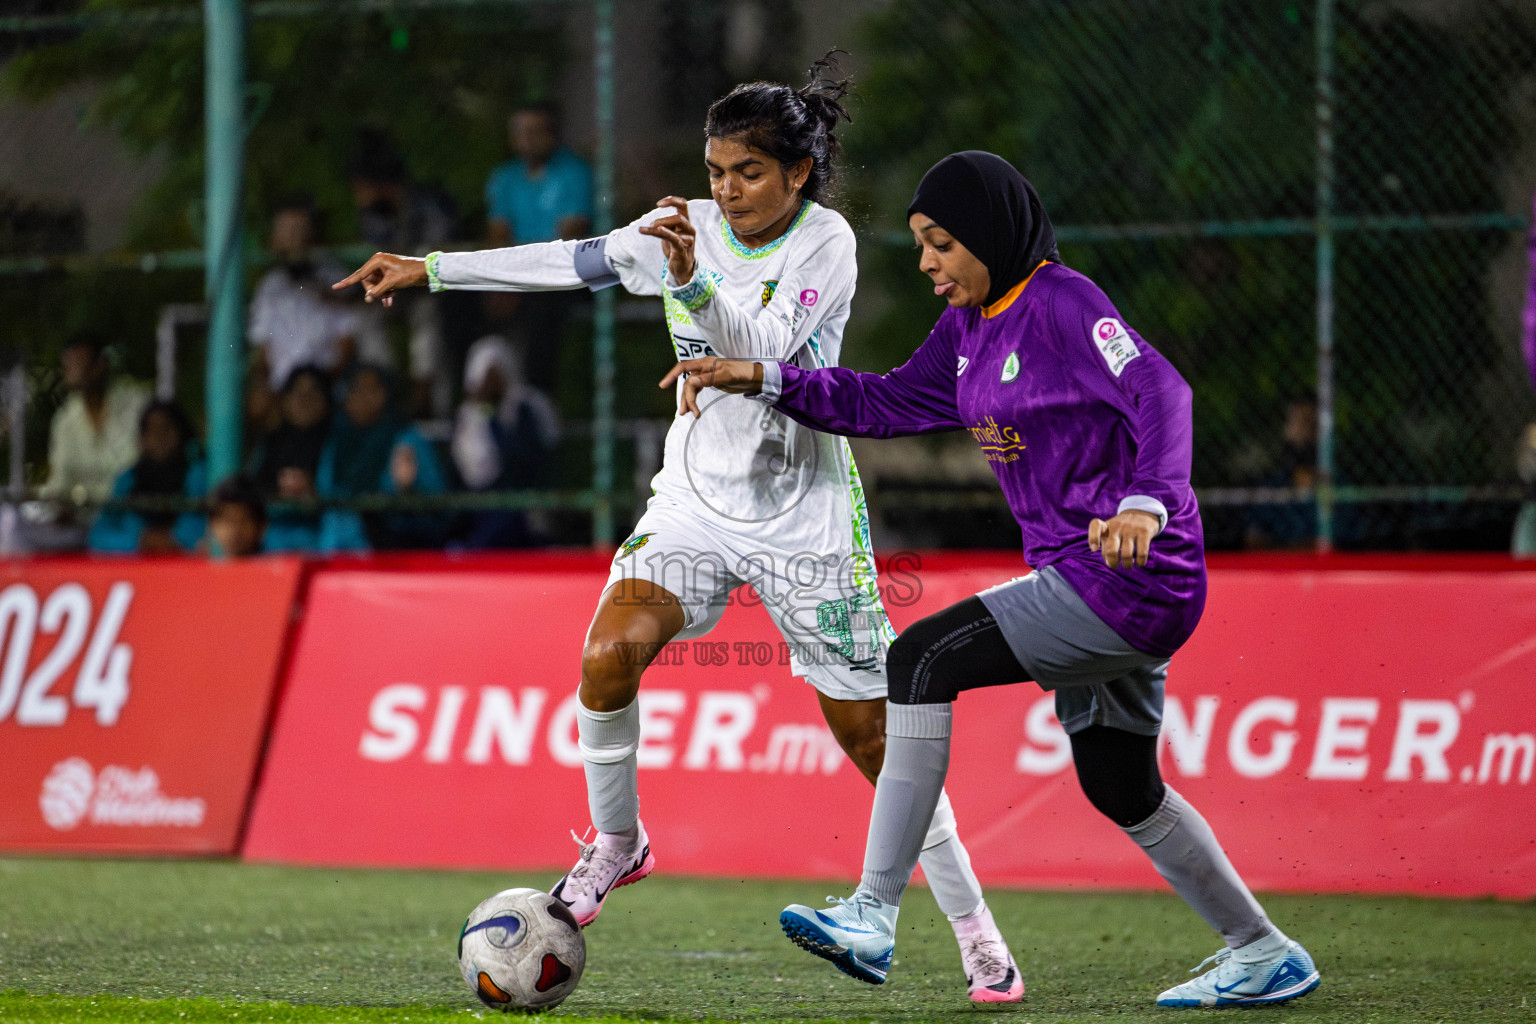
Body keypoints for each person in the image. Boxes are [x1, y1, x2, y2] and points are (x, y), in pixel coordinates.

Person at [335, 58, 1022, 1003]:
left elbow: (769, 351)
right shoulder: (682, 229)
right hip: (695, 500)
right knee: (608, 655)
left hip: (803, 517)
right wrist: (434, 270)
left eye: (747, 172)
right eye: (715, 172)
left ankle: (978, 936)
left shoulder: (828, 244)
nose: (726, 190)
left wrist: (693, 288)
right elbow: (572, 261)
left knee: (872, 738)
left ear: (798, 175)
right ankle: (619, 841)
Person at [667, 152, 1321, 1009]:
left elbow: (1163, 391)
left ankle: (872, 911)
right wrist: (764, 377)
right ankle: (1264, 951)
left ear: (991, 236)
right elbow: (887, 402)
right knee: (1119, 783)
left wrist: (1148, 505)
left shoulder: (1061, 301)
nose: (929, 263)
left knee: (921, 661)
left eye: (942, 244)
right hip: (1090, 578)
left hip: (1129, 575)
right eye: (921, 246)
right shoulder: (969, 327)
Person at [481, 101, 595, 395]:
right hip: (518, 275)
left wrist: (516, 282)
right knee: (460, 299)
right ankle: (475, 398)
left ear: (552, 135)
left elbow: (569, 240)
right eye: (520, 131)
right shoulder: (503, 177)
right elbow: (499, 236)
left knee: (542, 307)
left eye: (535, 131)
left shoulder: (575, 172)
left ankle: (537, 402)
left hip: (564, 274)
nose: (527, 139)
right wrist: (503, 281)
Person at [347, 130, 456, 416]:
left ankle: (428, 398)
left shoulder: (427, 206)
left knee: (429, 315)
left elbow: (438, 260)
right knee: (366, 314)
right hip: (394, 290)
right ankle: (383, 391)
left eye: (362, 188)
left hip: (432, 287)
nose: (359, 197)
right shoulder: (372, 215)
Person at [317, 363, 450, 552]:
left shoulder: (408, 440)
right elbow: (326, 493)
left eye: (373, 389)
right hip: (335, 553)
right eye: (356, 390)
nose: (365, 398)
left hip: (392, 554)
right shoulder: (338, 442)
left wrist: (408, 490)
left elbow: (439, 511)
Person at [248, 198, 368, 390]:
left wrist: (317, 389)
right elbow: (263, 350)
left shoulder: (336, 277)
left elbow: (348, 345)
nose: (294, 239)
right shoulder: (270, 286)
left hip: (329, 388)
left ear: (313, 233)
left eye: (299, 229)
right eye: (286, 230)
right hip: (282, 393)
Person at [451, 335, 559, 548]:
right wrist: (485, 419)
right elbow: (476, 475)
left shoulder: (530, 406)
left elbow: (547, 453)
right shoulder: (470, 416)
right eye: (485, 375)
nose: (491, 382)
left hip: (530, 500)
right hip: (484, 506)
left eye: (495, 373)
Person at [39, 333, 149, 510]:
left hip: (133, 516)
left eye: (79, 361)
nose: (72, 369)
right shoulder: (65, 420)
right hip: (81, 520)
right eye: (68, 364)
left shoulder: (138, 406)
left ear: (100, 365)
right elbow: (60, 483)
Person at [88, 400, 207, 554]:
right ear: (141, 438)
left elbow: (202, 531)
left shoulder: (197, 475)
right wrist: (140, 541)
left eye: (166, 429)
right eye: (151, 430)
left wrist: (172, 540)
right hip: (134, 569)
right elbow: (97, 537)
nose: (159, 437)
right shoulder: (128, 479)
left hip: (184, 566)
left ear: (181, 432)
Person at [248, 365, 333, 552]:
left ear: (327, 400)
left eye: (314, 391)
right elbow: (251, 491)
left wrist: (313, 493)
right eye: (296, 391)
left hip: (323, 546)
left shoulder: (337, 445)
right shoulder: (269, 444)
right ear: (284, 400)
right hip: (270, 549)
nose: (304, 399)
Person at [205, 473, 267, 558]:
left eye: (243, 521)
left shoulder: (275, 568)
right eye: (227, 521)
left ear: (261, 526)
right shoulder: (201, 569)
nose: (235, 530)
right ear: (212, 524)